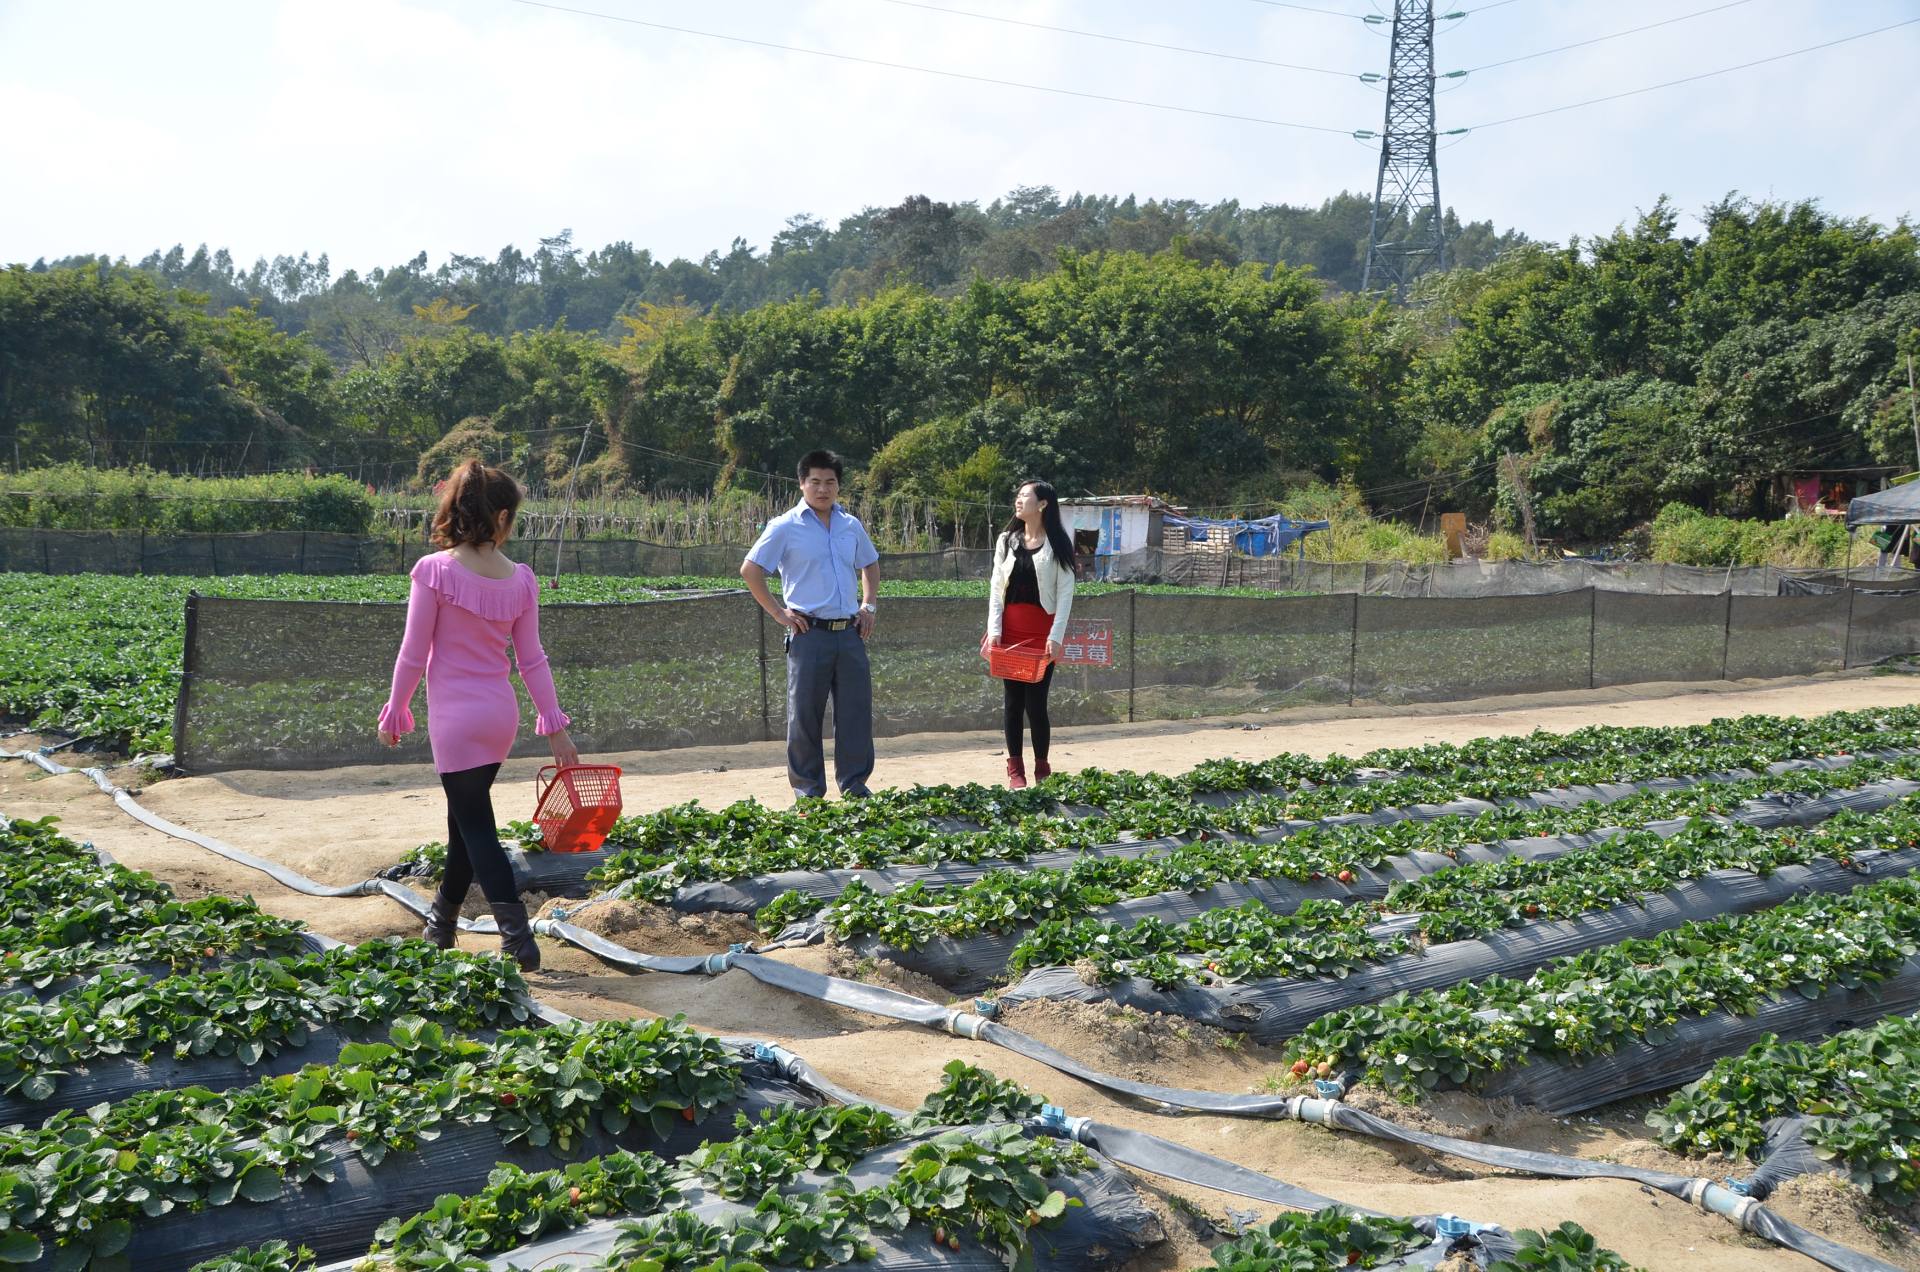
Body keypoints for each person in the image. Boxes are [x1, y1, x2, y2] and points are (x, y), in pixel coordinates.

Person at [376, 459, 579, 971]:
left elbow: (413, 652)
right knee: (462, 824)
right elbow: (532, 659)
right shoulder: (521, 579)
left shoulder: (436, 570)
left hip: (456, 719)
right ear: (502, 516)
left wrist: (397, 708)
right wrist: (554, 725)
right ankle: (441, 924)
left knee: (476, 825)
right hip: (499, 716)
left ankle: (518, 940)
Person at [741, 449, 881, 800]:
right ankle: (808, 791)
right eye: (815, 482)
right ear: (802, 484)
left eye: (830, 482)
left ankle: (854, 786)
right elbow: (751, 570)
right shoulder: (785, 526)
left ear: (838, 486)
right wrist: (778, 613)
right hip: (808, 634)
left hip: (849, 633)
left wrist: (869, 606)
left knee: (855, 713)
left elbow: (871, 564)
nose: (823, 489)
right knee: (804, 715)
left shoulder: (851, 525)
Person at [983, 478, 1077, 789]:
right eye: (1019, 495)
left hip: (1041, 633)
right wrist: (994, 629)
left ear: (1043, 504)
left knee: (1036, 703)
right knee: (1012, 702)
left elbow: (1065, 594)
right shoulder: (1006, 541)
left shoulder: (1059, 544)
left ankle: (1042, 767)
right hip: (1010, 632)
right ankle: (1015, 771)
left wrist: (1056, 636)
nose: (1018, 501)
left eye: (1025, 496)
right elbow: (997, 590)